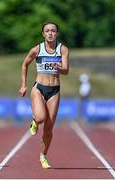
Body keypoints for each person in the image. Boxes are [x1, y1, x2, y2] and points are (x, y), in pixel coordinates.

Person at [19, 22, 69, 169]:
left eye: (53, 31)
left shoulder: (63, 50)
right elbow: (24, 64)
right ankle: (35, 120)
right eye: (47, 31)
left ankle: (43, 155)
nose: (50, 33)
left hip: (54, 90)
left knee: (48, 128)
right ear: (43, 34)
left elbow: (66, 70)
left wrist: (59, 67)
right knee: (41, 118)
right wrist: (23, 85)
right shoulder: (37, 49)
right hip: (39, 87)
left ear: (57, 33)